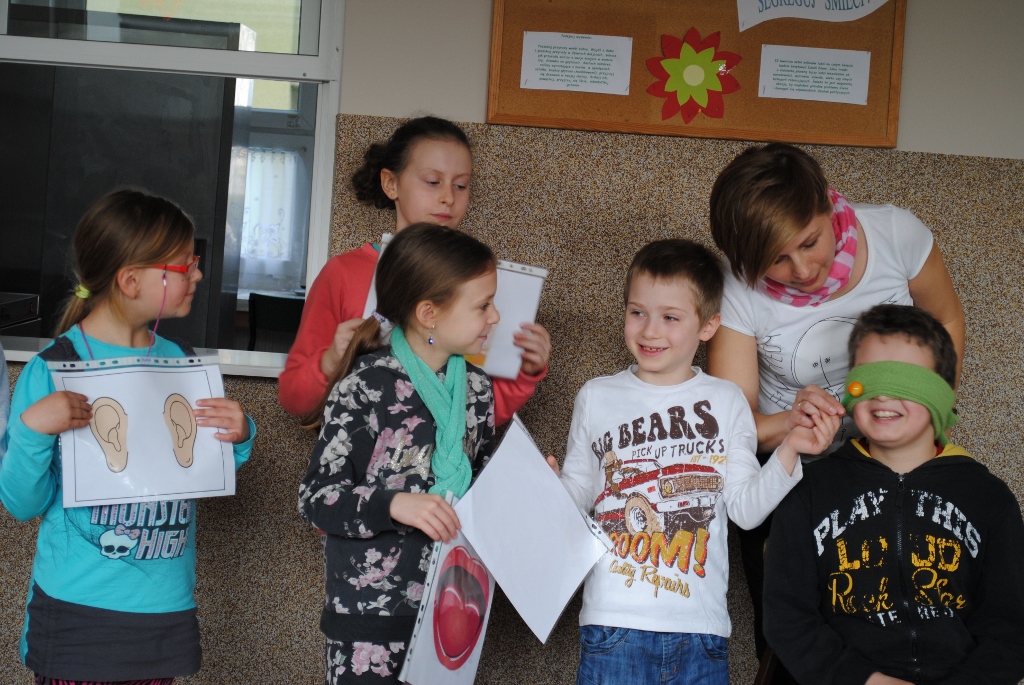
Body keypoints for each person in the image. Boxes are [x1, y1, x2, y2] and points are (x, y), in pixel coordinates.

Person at [705, 143, 966, 669]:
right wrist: (794, 424)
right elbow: (734, 425)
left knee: (906, 612)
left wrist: (927, 419)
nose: (802, 269)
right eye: (776, 259)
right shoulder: (736, 286)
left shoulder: (896, 234)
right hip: (791, 469)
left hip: (897, 458)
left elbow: (947, 320)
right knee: (791, 632)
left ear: (827, 205)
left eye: (810, 242)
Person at [550, 239, 840, 685]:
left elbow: (745, 510)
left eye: (670, 317)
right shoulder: (596, 396)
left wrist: (791, 448)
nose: (650, 330)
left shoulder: (726, 400)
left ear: (708, 326)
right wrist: (547, 490)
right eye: (637, 312)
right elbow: (578, 493)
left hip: (700, 632)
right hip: (613, 622)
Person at [0, 189, 256, 684]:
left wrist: (239, 434)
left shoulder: (182, 362)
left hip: (164, 613)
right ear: (131, 280)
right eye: (185, 266)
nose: (198, 275)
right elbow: (22, 504)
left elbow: (198, 468)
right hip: (77, 618)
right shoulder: (52, 369)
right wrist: (32, 429)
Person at [764, 304, 1024, 684]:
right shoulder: (809, 491)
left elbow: (1010, 625)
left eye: (904, 377)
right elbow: (787, 617)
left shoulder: (988, 498)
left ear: (940, 392)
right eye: (869, 376)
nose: (883, 395)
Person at [298, 223, 498, 684]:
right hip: (368, 622)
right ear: (429, 313)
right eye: (483, 305)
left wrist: (528, 485)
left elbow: (480, 487)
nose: (496, 317)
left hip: (454, 610)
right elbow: (316, 499)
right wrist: (394, 504)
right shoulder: (366, 386)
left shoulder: (478, 390)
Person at [279, 116, 551, 423]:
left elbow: (479, 417)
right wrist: (329, 363)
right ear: (391, 183)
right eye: (433, 182)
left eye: (461, 185)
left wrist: (523, 373)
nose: (448, 197)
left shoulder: (479, 282)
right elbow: (294, 399)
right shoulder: (342, 273)